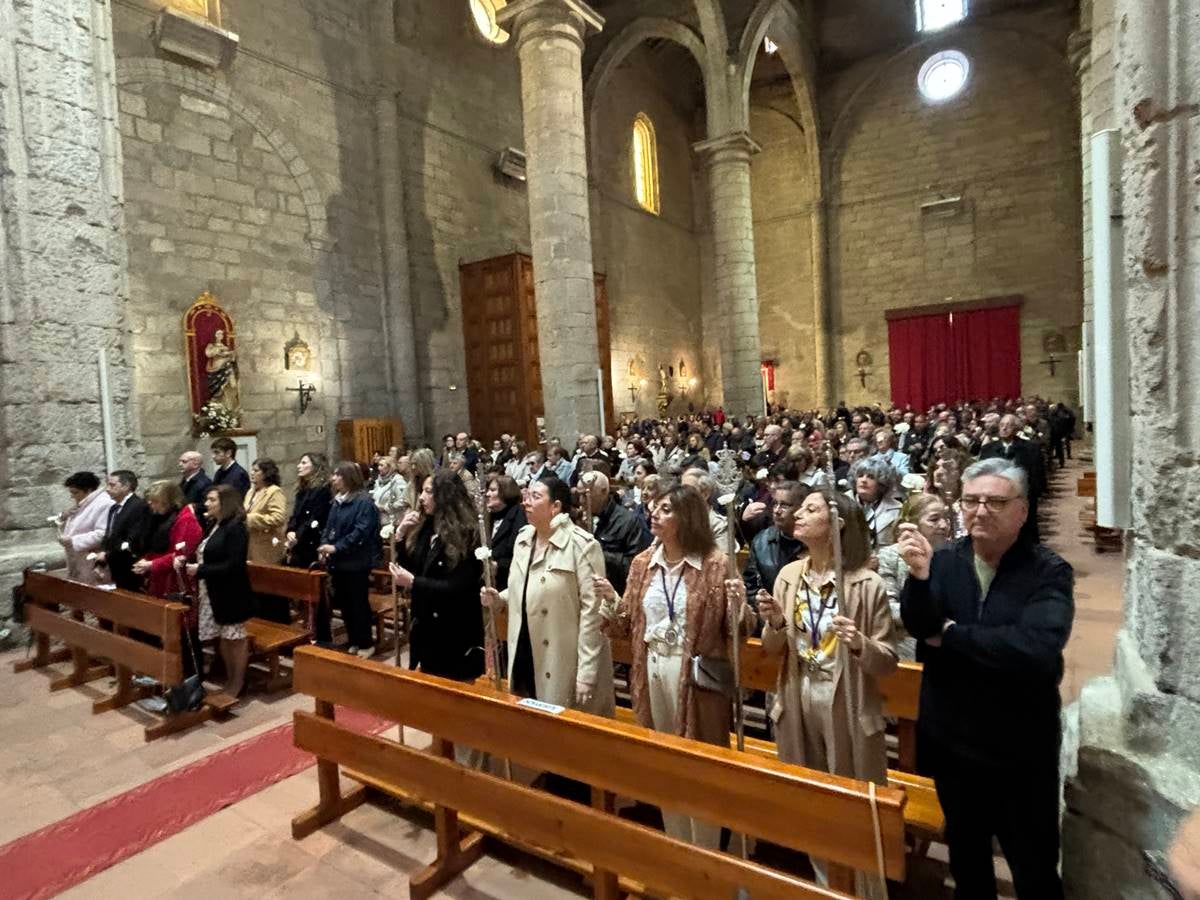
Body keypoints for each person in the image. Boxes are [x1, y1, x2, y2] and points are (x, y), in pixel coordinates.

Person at [900, 458, 1074, 900]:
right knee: (968, 863)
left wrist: (954, 635)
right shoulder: (942, 561)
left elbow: (1035, 649)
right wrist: (919, 581)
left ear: (1022, 510)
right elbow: (920, 627)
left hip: (1019, 748)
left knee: (1033, 869)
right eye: (971, 501)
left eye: (995, 502)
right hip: (953, 742)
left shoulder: (1047, 571)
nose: (980, 511)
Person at [757, 487, 897, 897]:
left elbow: (887, 661)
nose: (798, 514)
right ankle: (827, 888)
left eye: (811, 509)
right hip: (799, 695)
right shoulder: (788, 576)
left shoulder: (865, 584)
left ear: (836, 524)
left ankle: (867, 892)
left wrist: (859, 643)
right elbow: (770, 649)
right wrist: (777, 623)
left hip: (847, 702)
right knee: (812, 804)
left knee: (852, 810)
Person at [595, 483, 749, 849]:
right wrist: (609, 602)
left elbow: (735, 632)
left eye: (665, 509)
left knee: (699, 769)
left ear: (687, 517)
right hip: (652, 669)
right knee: (665, 763)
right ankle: (678, 846)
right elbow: (625, 625)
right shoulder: (643, 564)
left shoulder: (715, 564)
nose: (654, 514)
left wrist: (741, 605)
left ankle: (707, 853)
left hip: (695, 676)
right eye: (654, 508)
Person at [481, 476, 614, 715]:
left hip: (561, 656)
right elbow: (522, 587)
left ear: (556, 506)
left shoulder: (582, 546)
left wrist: (586, 672)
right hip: (525, 646)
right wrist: (500, 597)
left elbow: (592, 613)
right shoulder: (523, 539)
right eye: (526, 496)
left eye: (535, 496)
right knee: (527, 721)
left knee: (562, 733)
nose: (526, 502)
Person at [391, 471, 485, 681]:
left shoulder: (467, 533)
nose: (422, 498)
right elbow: (409, 569)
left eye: (428, 492)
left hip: (454, 629)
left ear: (444, 496)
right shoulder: (426, 527)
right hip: (427, 627)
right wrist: (400, 535)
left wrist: (415, 582)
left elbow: (459, 586)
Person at [180, 485, 253, 698]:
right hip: (212, 591)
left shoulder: (235, 527)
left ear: (225, 502)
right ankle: (230, 679)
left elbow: (234, 564)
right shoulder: (216, 524)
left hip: (231, 592)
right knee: (224, 638)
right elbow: (209, 553)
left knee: (235, 639)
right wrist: (188, 560)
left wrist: (200, 569)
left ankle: (238, 683)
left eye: (212, 500)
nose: (207, 503)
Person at [876, 494, 951, 660]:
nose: (944, 525)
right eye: (934, 519)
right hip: (905, 647)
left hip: (949, 644)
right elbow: (887, 607)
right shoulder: (890, 556)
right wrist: (932, 621)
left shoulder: (954, 554)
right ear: (913, 524)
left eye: (946, 518)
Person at [317, 462, 380, 656]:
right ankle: (353, 639)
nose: (333, 478)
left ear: (348, 477)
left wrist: (336, 547)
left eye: (338, 475)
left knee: (358, 603)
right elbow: (329, 527)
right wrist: (324, 544)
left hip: (356, 562)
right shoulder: (337, 501)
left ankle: (365, 643)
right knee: (344, 603)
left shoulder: (364, 502)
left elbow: (360, 532)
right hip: (339, 562)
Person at [581, 471, 651, 596]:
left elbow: (636, 567)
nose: (581, 501)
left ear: (603, 492)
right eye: (579, 495)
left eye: (586, 495)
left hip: (614, 594)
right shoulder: (579, 520)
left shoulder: (629, 521)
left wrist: (598, 552)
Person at [979, 414, 1045, 544]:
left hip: (1022, 497)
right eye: (1002, 425)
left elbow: (1037, 473)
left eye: (1008, 426)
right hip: (996, 498)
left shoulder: (1031, 448)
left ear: (1016, 429)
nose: (1004, 429)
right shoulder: (988, 449)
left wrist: (1034, 494)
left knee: (1025, 533)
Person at [134, 480, 205, 599]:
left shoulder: (186, 519)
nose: (151, 505)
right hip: (159, 576)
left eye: (156, 502)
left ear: (169, 501)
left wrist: (152, 564)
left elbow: (181, 555)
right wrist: (146, 561)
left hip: (175, 580)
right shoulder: (161, 516)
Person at [742, 480, 805, 602]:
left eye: (784, 505)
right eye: (775, 504)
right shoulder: (761, 541)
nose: (777, 510)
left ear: (801, 508)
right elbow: (751, 589)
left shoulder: (814, 541)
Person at [95, 470, 149, 592]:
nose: (107, 489)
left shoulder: (138, 506)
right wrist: (102, 556)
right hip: (116, 564)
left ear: (126, 486)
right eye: (107, 484)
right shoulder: (114, 507)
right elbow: (109, 534)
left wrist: (107, 555)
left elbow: (133, 539)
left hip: (130, 564)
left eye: (112, 485)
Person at [57, 471, 114, 585]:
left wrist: (73, 541)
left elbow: (103, 533)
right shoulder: (84, 502)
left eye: (75, 492)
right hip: (78, 559)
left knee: (94, 596)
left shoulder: (104, 503)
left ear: (88, 490)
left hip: (92, 558)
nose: (72, 496)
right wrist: (63, 517)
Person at [285, 452, 333, 570]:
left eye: (304, 463)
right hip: (299, 542)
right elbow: (296, 515)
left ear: (315, 466)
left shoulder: (322, 490)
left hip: (312, 540)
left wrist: (297, 536)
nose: (299, 466)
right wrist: (290, 530)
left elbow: (315, 517)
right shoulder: (302, 490)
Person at [484, 474, 526, 591]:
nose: (487, 494)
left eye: (492, 490)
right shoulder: (488, 516)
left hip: (509, 583)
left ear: (506, 492)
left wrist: (498, 565)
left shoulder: (519, 516)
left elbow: (520, 554)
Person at [849, 458, 902, 549]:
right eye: (860, 475)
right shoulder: (841, 504)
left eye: (871, 477)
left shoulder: (897, 509)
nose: (864, 480)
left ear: (882, 483)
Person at [244, 459, 287, 565]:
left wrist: (252, 518)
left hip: (267, 544)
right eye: (252, 470)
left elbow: (278, 517)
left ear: (266, 473)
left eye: (256, 470)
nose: (252, 473)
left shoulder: (274, 491)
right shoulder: (251, 492)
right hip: (250, 543)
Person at [371, 454, 407, 535]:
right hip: (378, 520)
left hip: (393, 522)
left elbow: (403, 501)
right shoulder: (378, 481)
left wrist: (385, 508)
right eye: (378, 465)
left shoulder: (398, 481)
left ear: (390, 467)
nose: (379, 468)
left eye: (381, 465)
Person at [178, 450, 211, 519]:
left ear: (196, 464)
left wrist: (193, 506)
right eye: (180, 461)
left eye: (184, 462)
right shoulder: (185, 479)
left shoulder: (205, 483)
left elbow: (206, 506)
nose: (180, 464)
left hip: (196, 520)